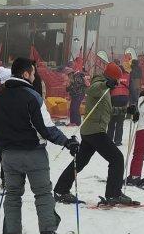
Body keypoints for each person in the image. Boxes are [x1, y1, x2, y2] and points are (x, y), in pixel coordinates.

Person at [0, 57, 79, 234]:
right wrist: (67, 142)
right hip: (34, 154)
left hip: (9, 155)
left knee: (13, 193)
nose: (34, 76)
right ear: (25, 74)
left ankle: (12, 233)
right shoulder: (32, 97)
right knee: (42, 194)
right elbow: (47, 129)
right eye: (33, 72)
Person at [53, 62, 137, 206]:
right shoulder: (100, 84)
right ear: (111, 77)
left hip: (90, 131)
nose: (118, 82)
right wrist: (106, 84)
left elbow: (107, 111)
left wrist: (125, 111)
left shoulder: (106, 90)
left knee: (80, 161)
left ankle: (61, 189)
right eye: (117, 79)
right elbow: (92, 90)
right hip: (94, 131)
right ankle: (113, 194)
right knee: (117, 158)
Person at [107, 62, 130, 146]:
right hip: (124, 98)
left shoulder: (113, 76)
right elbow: (131, 87)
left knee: (112, 120)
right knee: (120, 121)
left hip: (114, 98)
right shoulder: (128, 75)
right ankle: (118, 141)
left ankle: (109, 139)